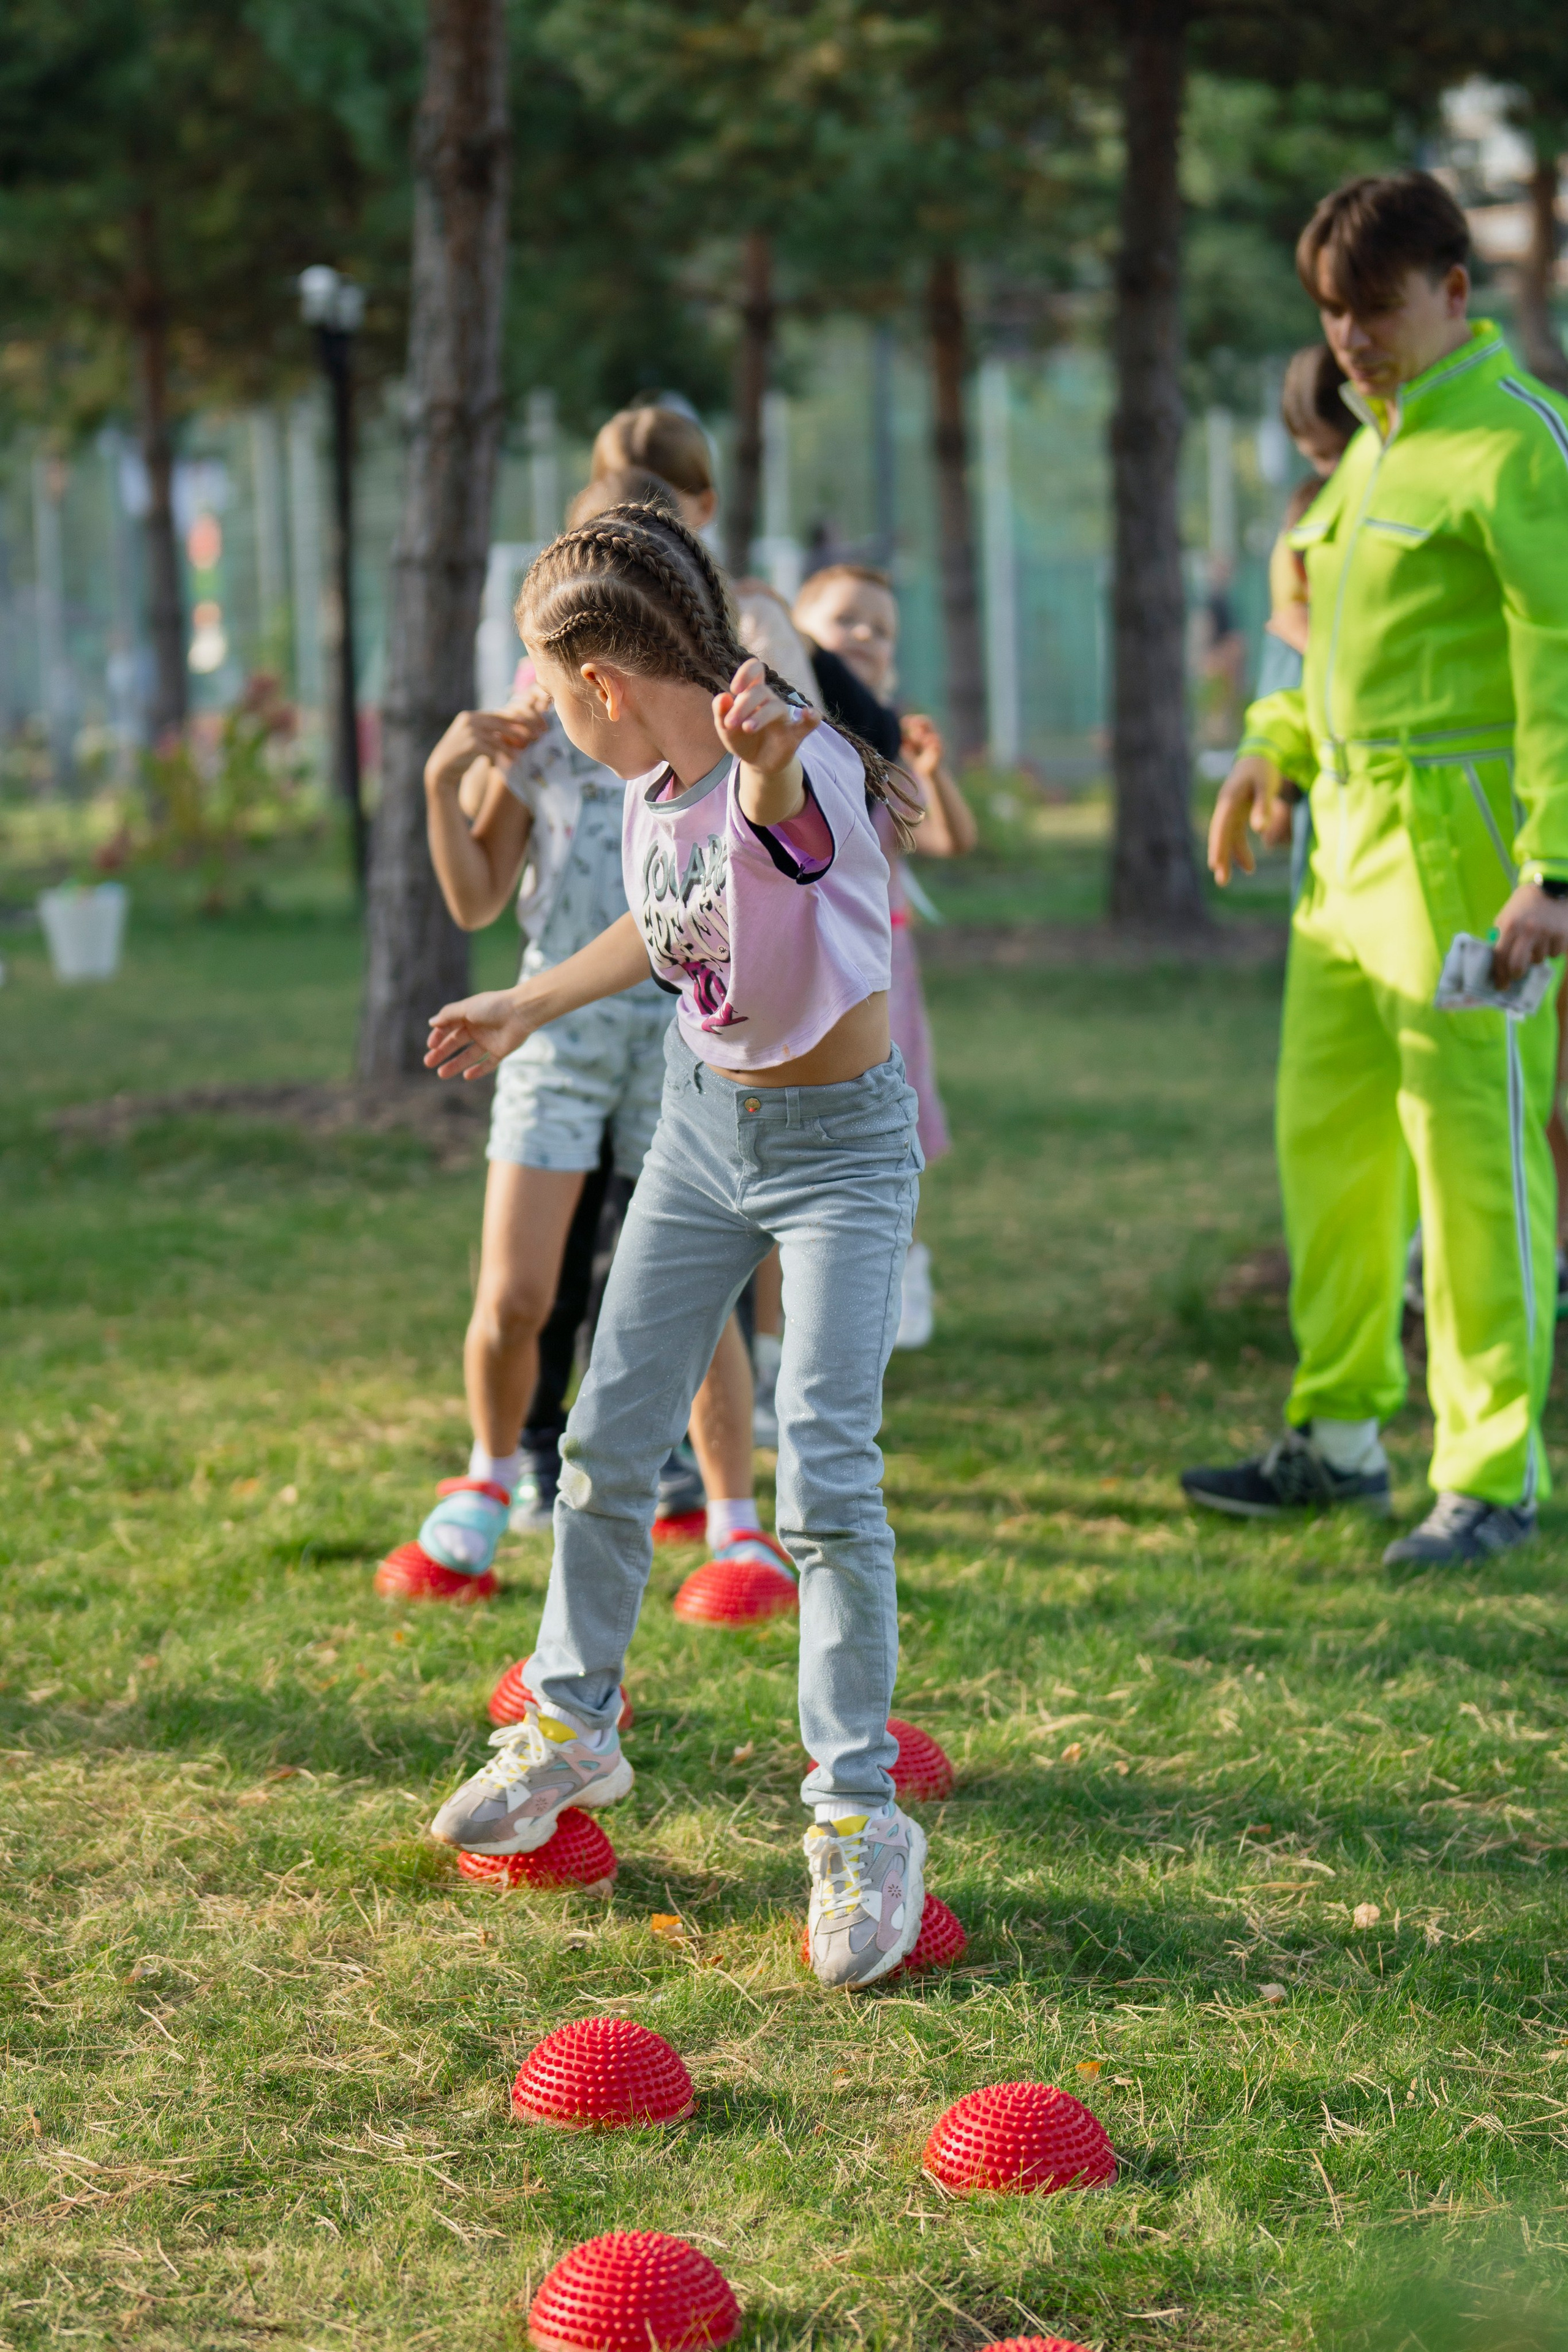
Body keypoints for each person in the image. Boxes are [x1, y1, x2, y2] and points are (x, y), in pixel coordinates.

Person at [423, 503, 930, 1989]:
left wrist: (766, 760)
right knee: (601, 1440)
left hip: (838, 1155)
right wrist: (526, 1003)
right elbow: (667, 927)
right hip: (703, 1127)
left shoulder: (788, 762)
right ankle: (569, 1728)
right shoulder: (650, 782)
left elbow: (779, 830)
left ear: (597, 682)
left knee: (824, 1478)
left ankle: (859, 1816)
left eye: (546, 686)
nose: (545, 715)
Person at [1185, 170, 1568, 1567]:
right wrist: (1267, 747)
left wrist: (1554, 868)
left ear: (1453, 293)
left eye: (1374, 308)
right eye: (1331, 313)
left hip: (1463, 852)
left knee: (1471, 1161)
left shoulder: (1517, 443)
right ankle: (1340, 1439)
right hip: (1339, 859)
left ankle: (1489, 1474)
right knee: (1331, 1150)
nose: (1348, 338)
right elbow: (1325, 651)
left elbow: (1561, 660)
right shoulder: (1368, 450)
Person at [375, 469, 778, 1602]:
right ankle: (489, 1480)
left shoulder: (706, 733)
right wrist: (444, 780)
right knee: (515, 1293)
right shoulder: (546, 726)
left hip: (679, 1038)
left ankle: (737, 1522)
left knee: (696, 1297)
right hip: (551, 1043)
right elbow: (474, 899)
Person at [793, 562, 977, 1350]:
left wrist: (932, 775)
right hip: (805, 971)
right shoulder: (786, 738)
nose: (864, 635)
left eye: (881, 627)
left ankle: (903, 1266)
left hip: (883, 973)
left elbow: (948, 839)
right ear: (800, 635)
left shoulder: (889, 741)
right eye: (845, 619)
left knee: (891, 1127)